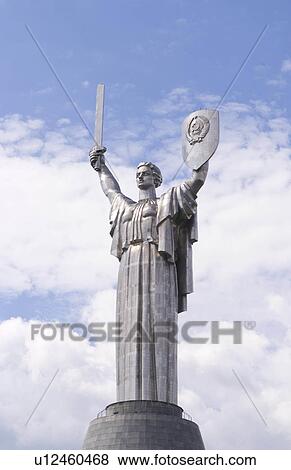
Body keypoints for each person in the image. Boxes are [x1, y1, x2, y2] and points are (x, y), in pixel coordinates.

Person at [89, 146, 208, 404]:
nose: (140, 176)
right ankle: (129, 397)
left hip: (158, 262)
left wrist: (202, 153)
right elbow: (111, 190)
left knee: (157, 322)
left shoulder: (166, 201)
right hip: (129, 267)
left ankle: (160, 399)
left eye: (145, 173)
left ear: (157, 178)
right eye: (138, 173)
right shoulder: (125, 207)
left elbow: (196, 181)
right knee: (130, 329)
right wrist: (101, 168)